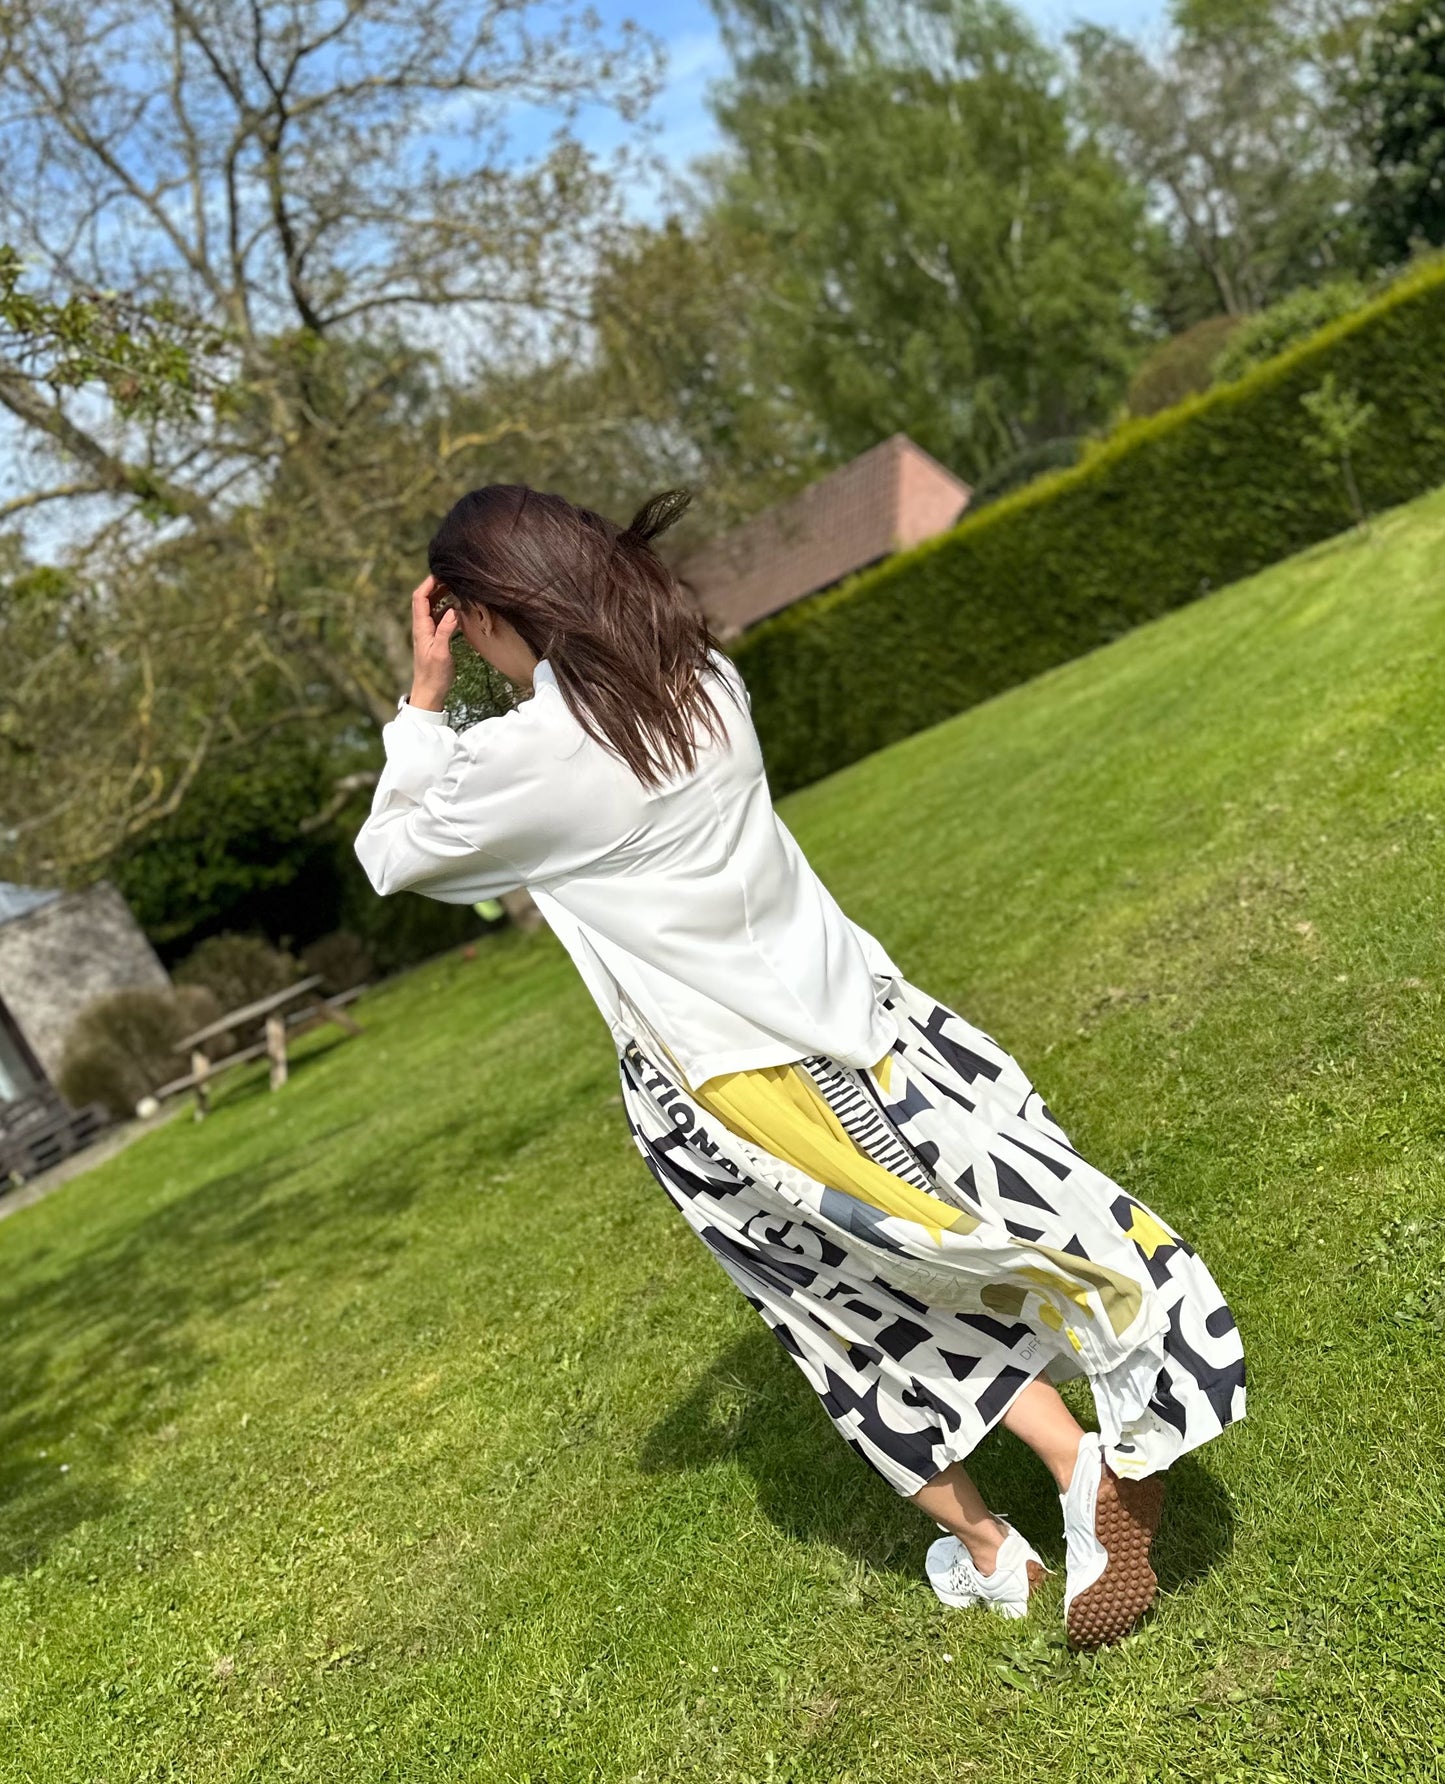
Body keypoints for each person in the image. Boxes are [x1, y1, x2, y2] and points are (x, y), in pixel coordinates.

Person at [353, 484, 1245, 1649]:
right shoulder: (704, 682)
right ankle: (1056, 1486)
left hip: (734, 1090)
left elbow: (390, 850)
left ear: (484, 606)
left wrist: (423, 699)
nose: (465, 644)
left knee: (841, 1314)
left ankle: (1016, 1528)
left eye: (466, 623)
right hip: (858, 1028)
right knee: (923, 1263)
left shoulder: (539, 760)